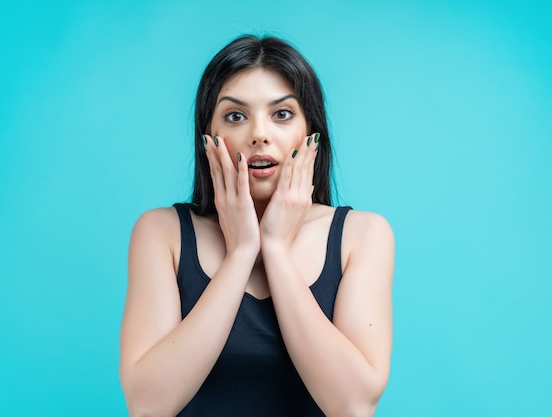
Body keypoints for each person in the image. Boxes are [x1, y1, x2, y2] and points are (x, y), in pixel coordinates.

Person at [120, 35, 394, 417]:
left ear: (312, 132)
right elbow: (148, 405)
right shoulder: (161, 232)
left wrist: (276, 250)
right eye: (236, 116)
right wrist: (241, 252)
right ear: (208, 137)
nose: (259, 135)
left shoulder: (362, 236)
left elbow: (351, 405)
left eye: (282, 114)